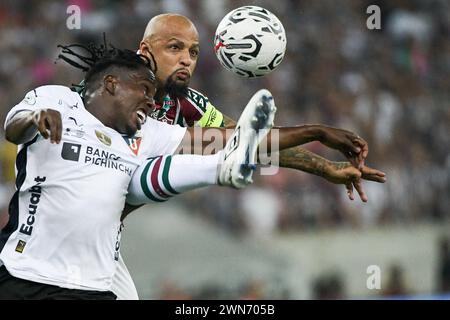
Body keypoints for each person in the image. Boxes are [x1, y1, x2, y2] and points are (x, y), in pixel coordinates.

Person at [0, 43, 277, 299]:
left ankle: (221, 167)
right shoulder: (56, 98)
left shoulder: (146, 132)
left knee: (143, 176)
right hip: (23, 271)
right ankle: (221, 168)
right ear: (111, 84)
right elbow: (13, 129)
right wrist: (35, 117)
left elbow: (216, 140)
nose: (152, 102)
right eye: (144, 90)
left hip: (90, 286)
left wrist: (300, 135)